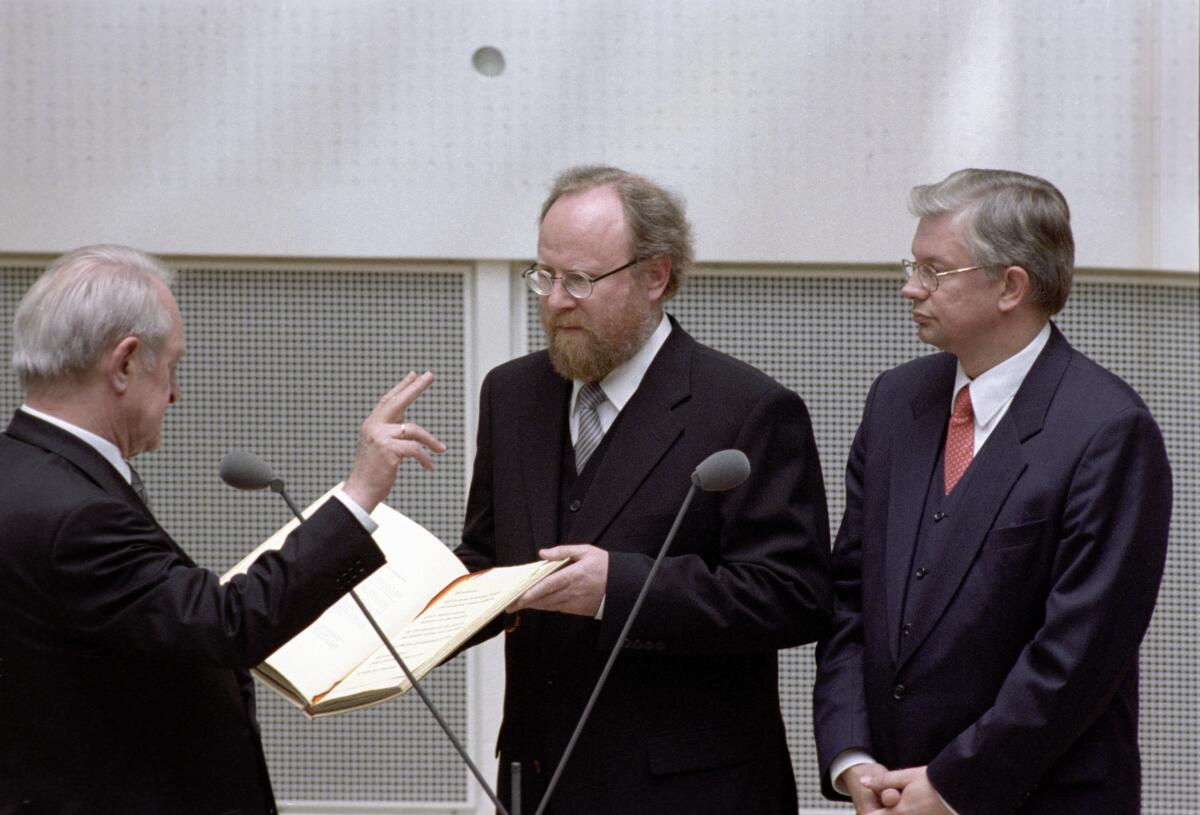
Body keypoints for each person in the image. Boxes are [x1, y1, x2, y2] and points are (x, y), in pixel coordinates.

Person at [0, 245, 446, 814]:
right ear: (125, 363)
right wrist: (359, 495)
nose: (176, 394)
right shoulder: (80, 515)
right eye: (173, 367)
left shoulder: (21, 473)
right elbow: (223, 626)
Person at [455, 165, 832, 814]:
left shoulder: (746, 408)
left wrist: (617, 589)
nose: (554, 300)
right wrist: (392, 594)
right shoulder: (511, 394)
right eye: (544, 274)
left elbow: (792, 595)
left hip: (690, 790)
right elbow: (486, 556)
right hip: (537, 778)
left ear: (655, 276)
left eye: (579, 280)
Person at [813, 169, 1172, 815]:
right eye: (911, 264)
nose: (909, 287)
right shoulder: (896, 402)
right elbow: (850, 599)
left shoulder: (1108, 430)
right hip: (890, 793)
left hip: (1041, 796)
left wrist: (954, 781)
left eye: (934, 270)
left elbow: (1080, 653)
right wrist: (851, 754)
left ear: (1011, 285)